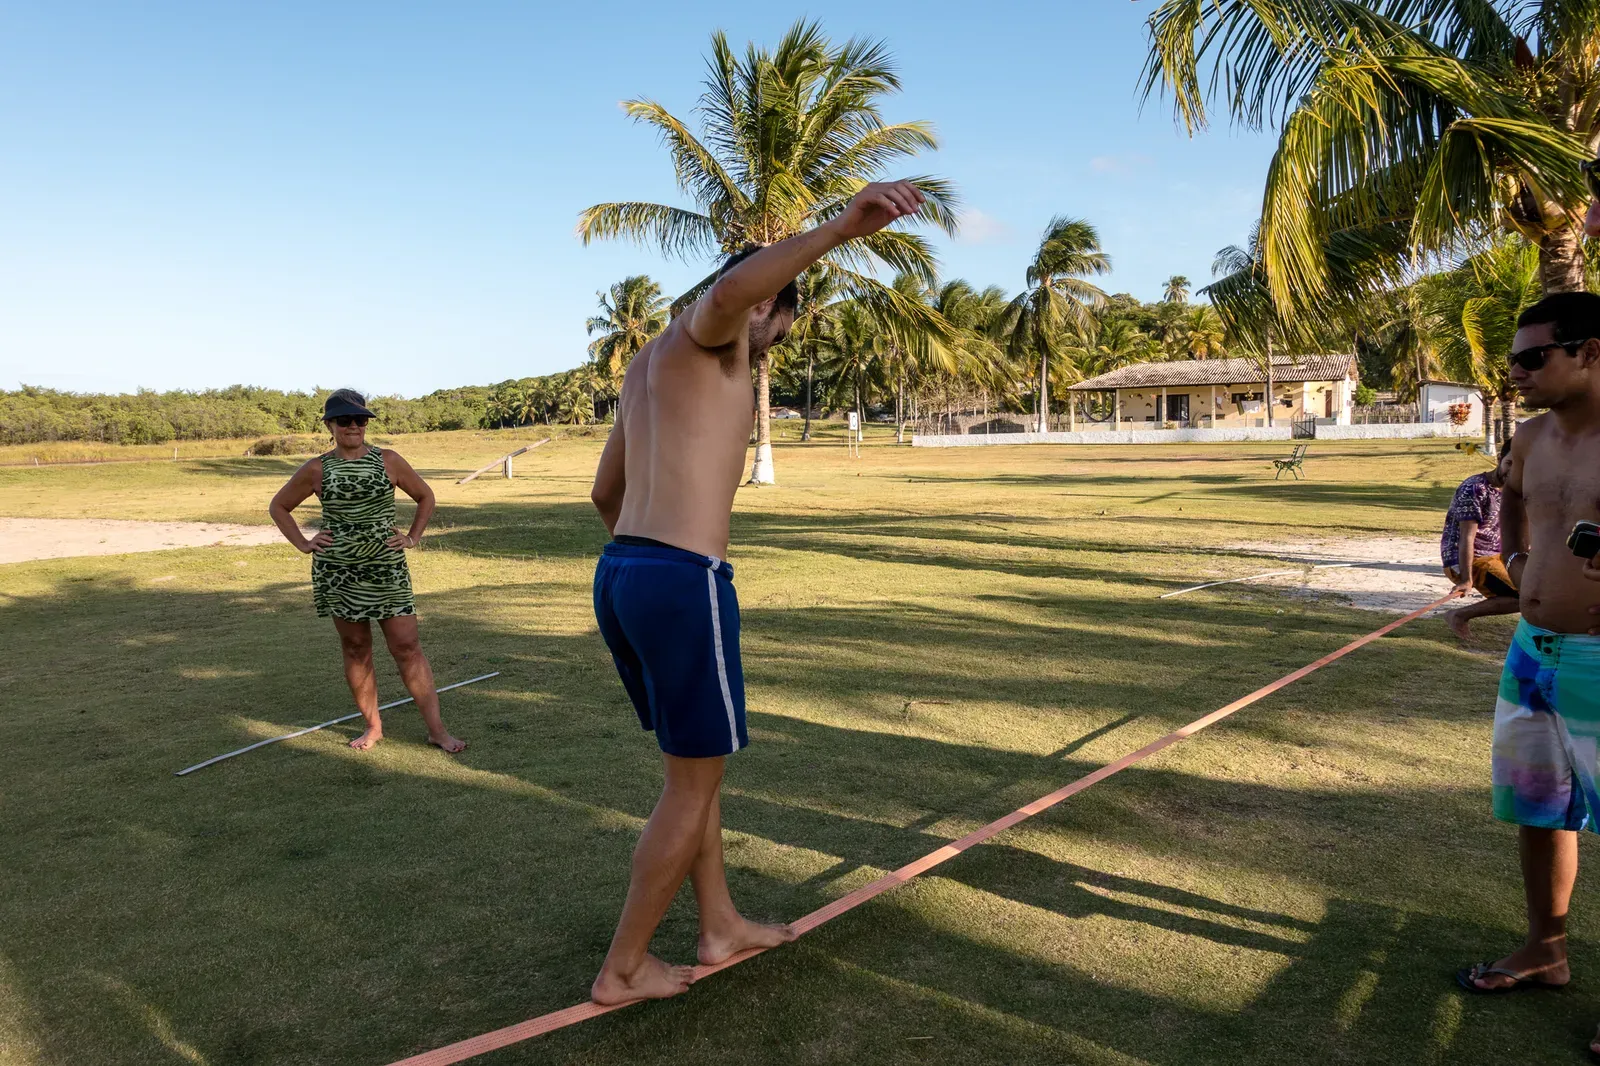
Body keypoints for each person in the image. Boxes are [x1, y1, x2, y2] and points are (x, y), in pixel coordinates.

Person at [586, 180, 928, 1005]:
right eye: (781, 320)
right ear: (769, 305)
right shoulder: (714, 339)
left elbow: (604, 491)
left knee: (693, 774)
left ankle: (720, 924)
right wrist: (843, 227)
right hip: (679, 580)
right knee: (690, 785)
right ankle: (623, 968)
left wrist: (645, 562)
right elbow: (728, 297)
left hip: (624, 570)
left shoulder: (646, 366)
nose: (775, 339)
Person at [1453, 293, 1600, 1060]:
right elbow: (1509, 499)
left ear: (1591, 352)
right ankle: (1547, 949)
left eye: (1533, 357)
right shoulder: (1532, 439)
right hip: (1533, 653)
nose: (1515, 372)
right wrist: (1514, 564)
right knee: (1541, 811)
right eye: (1513, 359)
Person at [268, 389, 464, 754]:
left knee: (407, 647)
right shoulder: (317, 468)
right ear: (330, 425)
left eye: (360, 420)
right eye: (345, 420)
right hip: (339, 571)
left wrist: (412, 537)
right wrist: (304, 543)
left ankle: (438, 731)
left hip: (386, 568)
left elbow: (426, 496)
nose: (354, 426)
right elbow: (279, 506)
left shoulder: (388, 460)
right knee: (356, 648)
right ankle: (373, 727)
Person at [1441, 439, 1519, 639]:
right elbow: (1467, 537)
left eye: (1521, 466)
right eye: (1509, 463)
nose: (1513, 471)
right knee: (1523, 597)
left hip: (1498, 556)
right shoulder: (1475, 489)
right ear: (1499, 459)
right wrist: (1466, 580)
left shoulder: (1516, 490)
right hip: (1470, 558)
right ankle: (1459, 615)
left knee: (1537, 590)